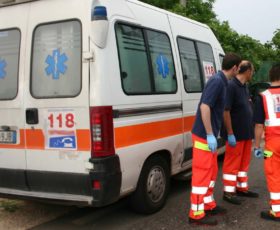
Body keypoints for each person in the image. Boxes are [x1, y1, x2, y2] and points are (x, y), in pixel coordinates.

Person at [189, 53, 241, 226]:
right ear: (234, 68)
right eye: (239, 68)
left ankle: (208, 204)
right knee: (202, 175)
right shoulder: (218, 81)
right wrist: (210, 134)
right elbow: (205, 106)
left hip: (208, 136)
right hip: (204, 136)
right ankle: (196, 214)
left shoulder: (222, 81)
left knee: (210, 172)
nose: (239, 71)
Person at [222, 60, 259, 205]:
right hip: (235, 134)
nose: (253, 73)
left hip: (246, 133)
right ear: (247, 71)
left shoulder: (245, 86)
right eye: (253, 70)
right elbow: (226, 111)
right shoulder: (231, 86)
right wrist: (230, 133)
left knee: (243, 163)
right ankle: (228, 192)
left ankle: (241, 187)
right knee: (232, 163)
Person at [253, 63, 280, 222]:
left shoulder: (263, 96)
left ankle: (277, 211)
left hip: (273, 145)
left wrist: (257, 146)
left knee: (274, 175)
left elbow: (258, 125)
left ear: (270, 77)